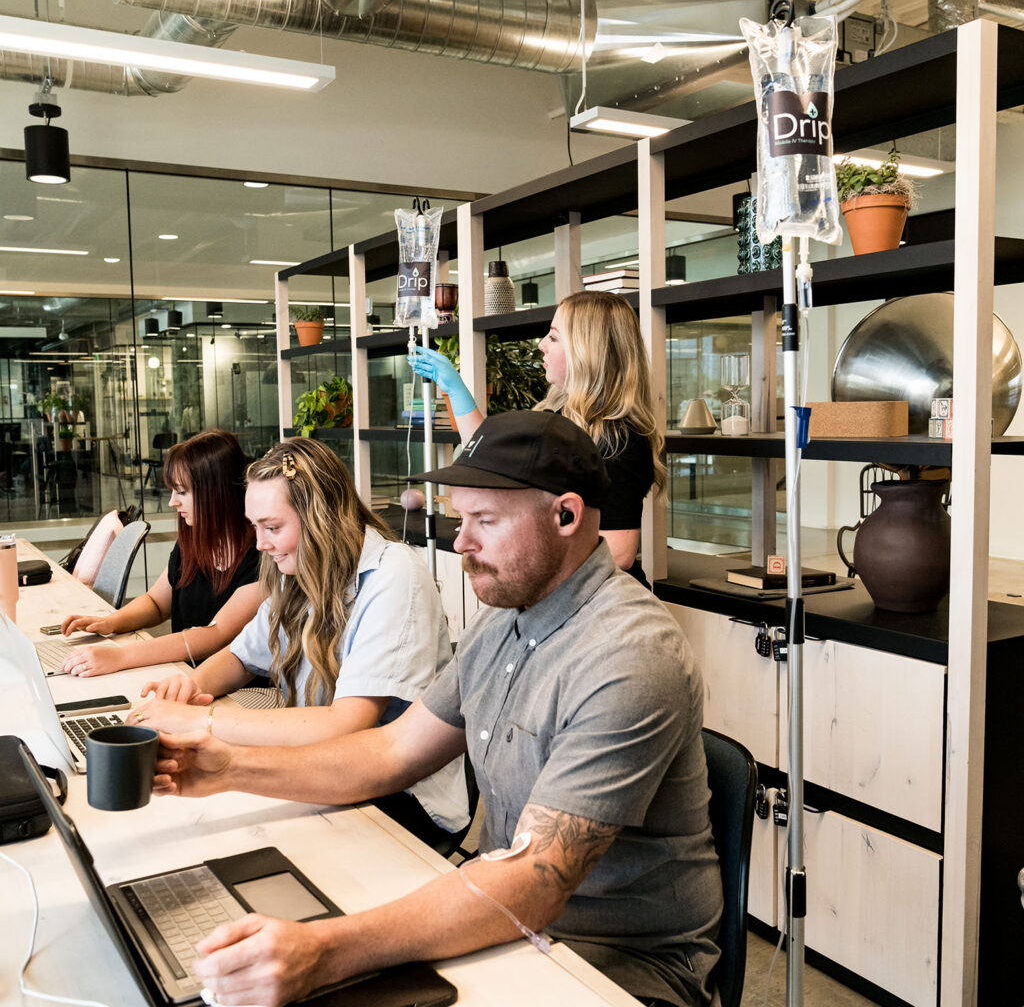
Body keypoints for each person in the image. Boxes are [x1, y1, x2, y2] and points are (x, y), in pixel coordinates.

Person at [152, 412, 722, 1007]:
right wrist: (223, 769)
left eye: (484, 521)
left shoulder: (628, 654)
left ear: (566, 515)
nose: (460, 541)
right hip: (519, 927)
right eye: (460, 517)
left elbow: (533, 883)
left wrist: (323, 950)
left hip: (618, 968)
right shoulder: (504, 620)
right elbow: (393, 751)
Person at [137, 436, 468, 841]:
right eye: (254, 528)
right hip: (329, 767)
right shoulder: (296, 570)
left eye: (272, 527)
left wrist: (202, 720)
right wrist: (190, 687)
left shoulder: (394, 577)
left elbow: (346, 725)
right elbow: (241, 657)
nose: (260, 544)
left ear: (321, 518)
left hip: (404, 797)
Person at [409, 290, 664, 584]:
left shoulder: (619, 439)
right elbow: (489, 456)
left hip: (601, 607)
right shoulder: (558, 417)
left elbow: (619, 553)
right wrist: (456, 390)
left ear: (587, 351)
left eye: (554, 337)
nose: (542, 345)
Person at [59, 430, 262, 677]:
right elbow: (156, 603)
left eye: (182, 492)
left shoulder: (262, 558)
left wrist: (121, 656)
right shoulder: (194, 544)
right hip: (184, 675)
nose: (172, 502)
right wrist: (110, 622)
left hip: (228, 689)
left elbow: (214, 635)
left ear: (216, 492)